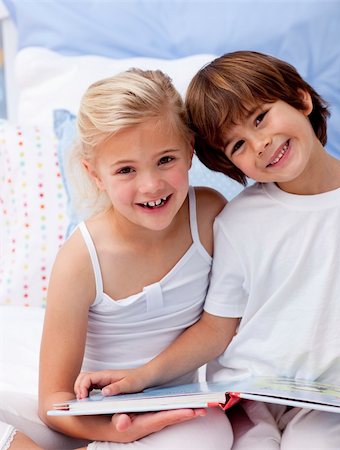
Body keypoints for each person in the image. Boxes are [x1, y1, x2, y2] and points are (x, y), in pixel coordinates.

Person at [74, 51, 340, 449]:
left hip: (337, 399)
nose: (261, 144)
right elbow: (216, 329)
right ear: (229, 165)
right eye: (238, 144)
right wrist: (141, 376)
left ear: (302, 99)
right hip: (247, 399)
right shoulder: (238, 221)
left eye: (260, 118)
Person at [12, 68, 232, 450]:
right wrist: (113, 431)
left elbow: (220, 325)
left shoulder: (210, 215)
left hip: (174, 410)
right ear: (94, 174)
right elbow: (53, 402)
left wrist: (143, 380)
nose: (150, 186)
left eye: (165, 159)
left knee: (209, 435)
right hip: (90, 416)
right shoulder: (82, 258)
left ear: (190, 150)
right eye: (126, 170)